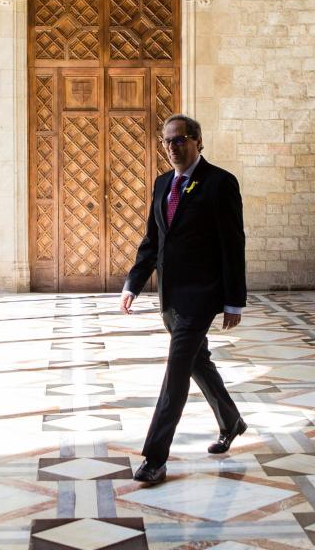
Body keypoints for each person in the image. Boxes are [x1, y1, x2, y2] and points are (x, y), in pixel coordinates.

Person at [121, 114, 248, 485]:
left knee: (176, 372)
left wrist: (233, 300)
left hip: (202, 295)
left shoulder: (221, 183)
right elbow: (153, 241)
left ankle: (155, 458)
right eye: (166, 142)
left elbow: (232, 243)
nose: (172, 147)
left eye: (179, 140)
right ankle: (231, 421)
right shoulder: (163, 184)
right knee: (198, 363)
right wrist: (133, 283)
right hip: (170, 297)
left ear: (197, 140)